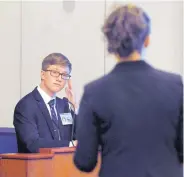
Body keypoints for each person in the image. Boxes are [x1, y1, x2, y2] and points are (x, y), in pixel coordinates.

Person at [73, 4, 183, 177]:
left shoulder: (94, 92)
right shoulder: (175, 86)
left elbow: (85, 161)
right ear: (147, 40)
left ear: (110, 42)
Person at [14, 53, 77, 153]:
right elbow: (33, 143)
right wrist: (70, 145)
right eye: (55, 72)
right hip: (37, 166)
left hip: (65, 165)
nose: (59, 78)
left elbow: (81, 137)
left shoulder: (64, 105)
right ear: (42, 74)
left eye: (64, 75)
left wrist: (75, 108)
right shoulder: (26, 106)